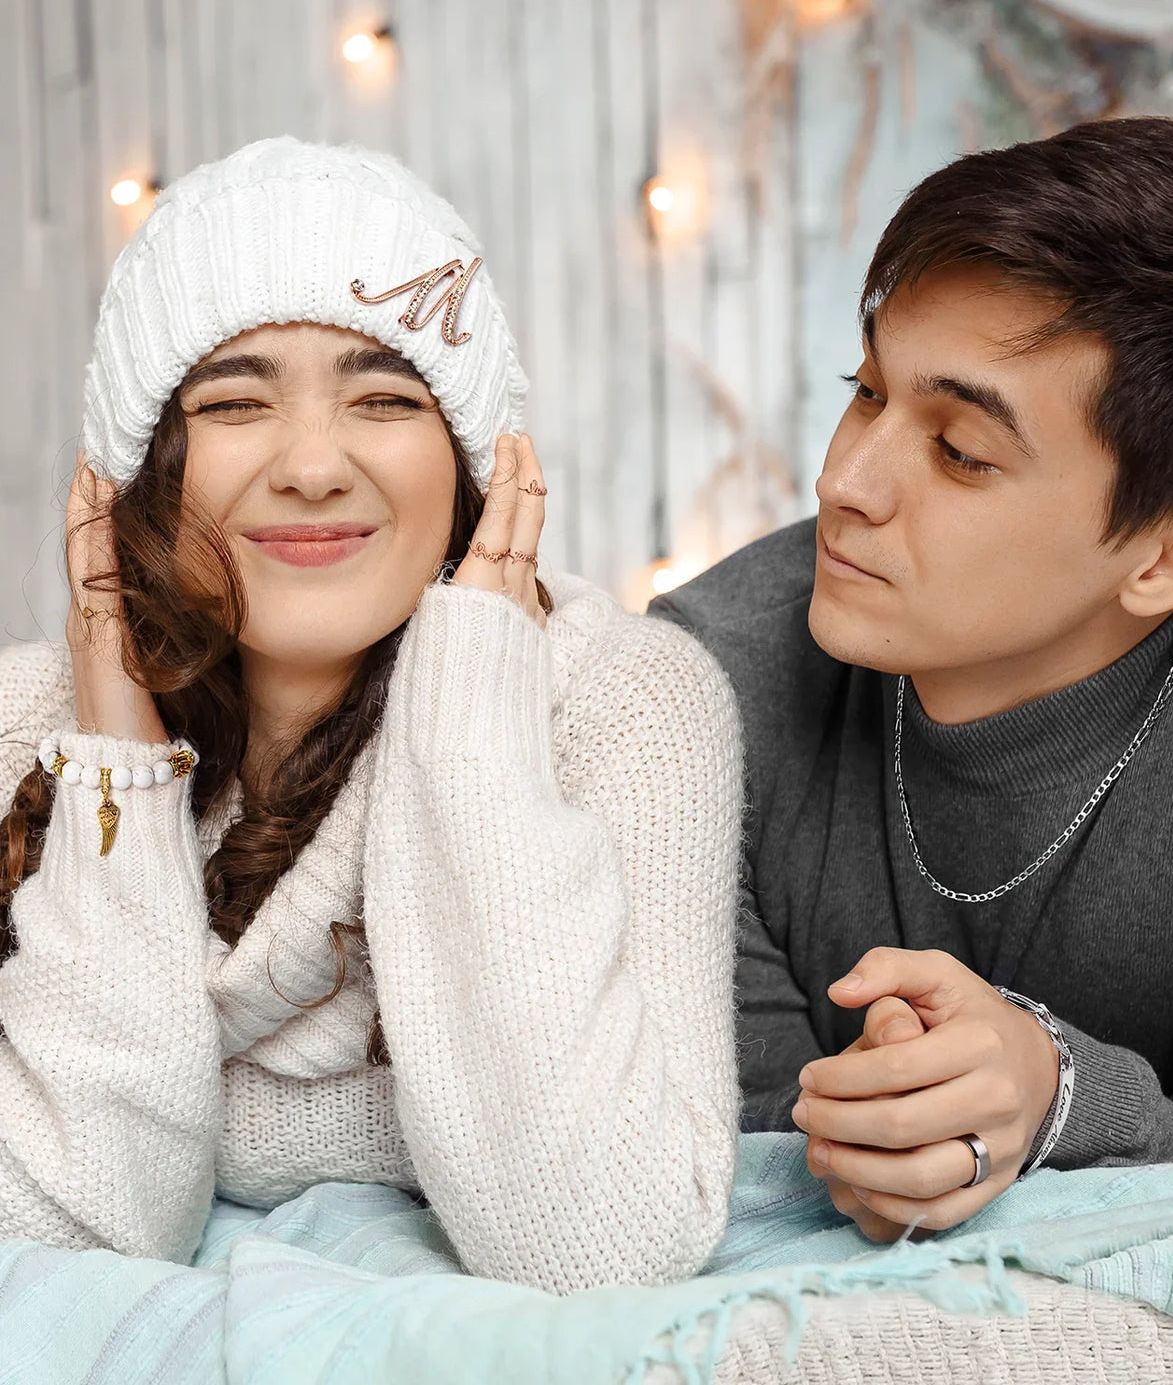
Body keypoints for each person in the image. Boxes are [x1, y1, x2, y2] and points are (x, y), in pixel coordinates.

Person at [0, 137, 743, 1293]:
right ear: (139, 470)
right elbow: (78, 1239)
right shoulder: (25, 728)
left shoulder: (621, 702)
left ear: (471, 459)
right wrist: (118, 761)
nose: (313, 466)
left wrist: (467, 719)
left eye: (385, 397)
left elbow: (605, 1242)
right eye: (234, 401)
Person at [651, 116, 1173, 1242]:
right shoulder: (692, 681)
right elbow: (720, 1164)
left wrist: (1060, 1101)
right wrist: (875, 1129)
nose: (845, 482)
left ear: (1172, 555)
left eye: (959, 451)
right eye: (867, 392)